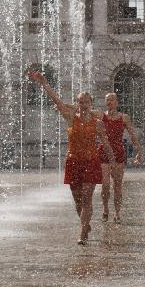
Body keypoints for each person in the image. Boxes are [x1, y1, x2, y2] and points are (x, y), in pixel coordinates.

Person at [26, 69, 114, 245]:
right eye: (80, 102)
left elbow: (105, 141)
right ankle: (85, 221)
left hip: (91, 161)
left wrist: (111, 159)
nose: (83, 105)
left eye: (86, 102)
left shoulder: (97, 123)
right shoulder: (70, 118)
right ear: (77, 103)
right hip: (73, 161)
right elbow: (56, 101)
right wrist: (44, 83)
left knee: (87, 197)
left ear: (91, 103)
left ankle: (82, 232)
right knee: (77, 199)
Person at [100, 92, 144, 224]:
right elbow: (83, 108)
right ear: (105, 102)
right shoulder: (101, 116)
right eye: (108, 100)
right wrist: (63, 107)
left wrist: (138, 151)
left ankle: (117, 213)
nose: (110, 102)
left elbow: (132, 135)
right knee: (105, 185)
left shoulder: (124, 118)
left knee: (117, 186)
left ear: (117, 102)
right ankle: (105, 208)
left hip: (118, 153)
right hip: (103, 153)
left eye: (112, 100)